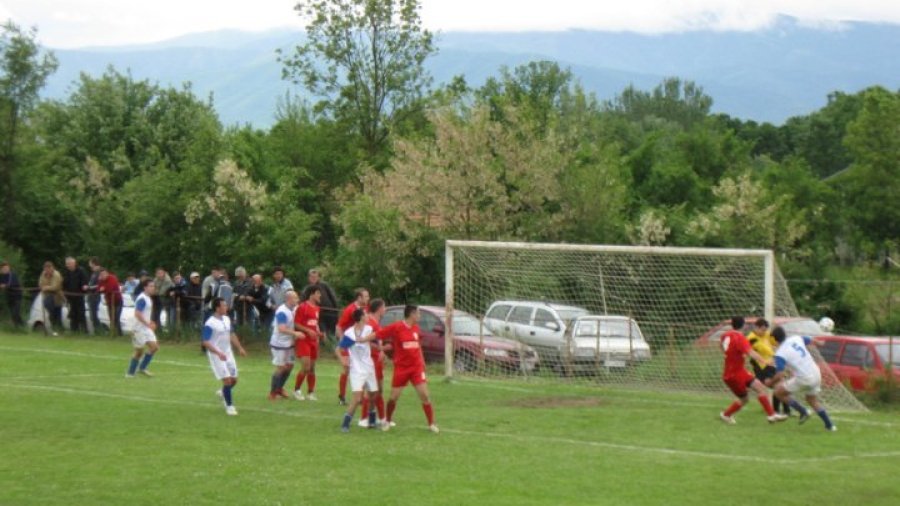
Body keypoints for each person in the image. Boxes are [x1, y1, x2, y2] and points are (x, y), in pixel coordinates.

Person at [375, 305, 439, 433]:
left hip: (416, 368)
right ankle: (387, 421)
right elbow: (379, 333)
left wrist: (422, 361)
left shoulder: (416, 328)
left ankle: (431, 424)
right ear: (412, 314)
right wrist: (362, 339)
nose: (420, 316)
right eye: (418, 313)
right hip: (402, 368)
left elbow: (418, 346)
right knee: (393, 397)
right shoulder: (397, 327)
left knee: (425, 395)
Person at [719, 316, 787, 425]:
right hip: (735, 374)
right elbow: (752, 353)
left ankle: (771, 415)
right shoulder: (740, 338)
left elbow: (721, 345)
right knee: (745, 399)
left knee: (759, 388)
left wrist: (725, 353)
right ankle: (726, 415)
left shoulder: (725, 335)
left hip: (735, 372)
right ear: (743, 325)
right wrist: (765, 362)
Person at [771, 326, 837, 431]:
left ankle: (803, 411)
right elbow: (811, 340)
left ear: (774, 339)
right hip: (816, 372)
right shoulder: (795, 338)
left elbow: (780, 374)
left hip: (805, 377)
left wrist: (770, 382)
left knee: (778, 392)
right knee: (812, 400)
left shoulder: (780, 353)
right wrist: (820, 343)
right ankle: (830, 426)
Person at [202, 297, 247, 416]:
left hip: (228, 353)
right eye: (224, 305)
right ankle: (229, 406)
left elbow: (231, 334)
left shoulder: (227, 319)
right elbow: (205, 342)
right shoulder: (210, 323)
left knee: (234, 379)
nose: (226, 307)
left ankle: (223, 392)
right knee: (227, 380)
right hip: (216, 354)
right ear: (217, 308)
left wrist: (240, 348)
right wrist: (218, 352)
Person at [338, 308, 382, 432]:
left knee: (373, 394)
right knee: (357, 398)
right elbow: (339, 348)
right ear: (361, 317)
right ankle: (345, 423)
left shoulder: (368, 329)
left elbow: (376, 338)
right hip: (356, 370)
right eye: (365, 314)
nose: (368, 315)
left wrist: (379, 347)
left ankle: (372, 420)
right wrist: (343, 360)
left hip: (369, 367)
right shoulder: (349, 333)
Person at [747, 318, 789, 416]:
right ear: (756, 327)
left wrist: (778, 336)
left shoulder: (766, 334)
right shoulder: (751, 338)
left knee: (782, 385)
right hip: (761, 368)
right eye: (762, 329)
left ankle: (784, 411)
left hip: (771, 365)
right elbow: (758, 350)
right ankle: (778, 411)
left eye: (765, 330)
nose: (764, 332)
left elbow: (774, 341)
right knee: (778, 386)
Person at [336, 288, 370, 405]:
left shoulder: (365, 308)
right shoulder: (350, 309)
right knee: (347, 369)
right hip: (349, 342)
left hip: (360, 343)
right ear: (359, 298)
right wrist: (343, 342)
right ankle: (342, 396)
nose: (368, 299)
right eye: (366, 296)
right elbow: (339, 326)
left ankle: (360, 397)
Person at [359, 298, 387, 427]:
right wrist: (379, 349)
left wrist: (382, 351)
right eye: (384, 307)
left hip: (377, 359)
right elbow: (364, 340)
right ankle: (364, 418)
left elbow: (378, 339)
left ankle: (381, 418)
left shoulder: (376, 321)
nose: (385, 309)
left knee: (379, 389)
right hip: (369, 359)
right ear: (379, 308)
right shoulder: (369, 322)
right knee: (371, 390)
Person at [269, 290, 301, 400]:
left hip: (289, 343)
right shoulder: (282, 311)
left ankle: (280, 388)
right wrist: (295, 333)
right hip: (279, 343)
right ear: (289, 299)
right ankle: (273, 392)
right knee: (281, 368)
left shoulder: (294, 309)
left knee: (290, 366)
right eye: (295, 298)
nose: (297, 300)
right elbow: (281, 328)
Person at [293, 286, 323, 400]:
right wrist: (308, 330)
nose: (320, 296)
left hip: (314, 341)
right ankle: (297, 390)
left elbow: (315, 323)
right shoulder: (302, 307)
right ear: (312, 294)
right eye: (318, 293)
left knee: (312, 368)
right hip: (304, 340)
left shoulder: (317, 308)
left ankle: (310, 392)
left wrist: (318, 333)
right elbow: (296, 324)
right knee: (306, 366)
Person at [126, 279, 159, 377]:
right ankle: (130, 373)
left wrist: (150, 322)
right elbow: (137, 313)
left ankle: (142, 368)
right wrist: (147, 323)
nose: (153, 288)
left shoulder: (148, 298)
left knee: (154, 347)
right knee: (139, 352)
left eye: (153, 286)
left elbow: (145, 313)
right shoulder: (142, 298)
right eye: (151, 286)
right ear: (145, 287)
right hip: (138, 329)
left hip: (146, 328)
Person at [301, 268, 339, 337]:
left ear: (318, 277)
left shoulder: (324, 285)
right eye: (312, 277)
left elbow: (332, 296)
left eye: (315, 277)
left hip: (331, 313)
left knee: (333, 333)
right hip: (319, 316)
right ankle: (325, 345)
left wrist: (336, 310)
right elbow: (303, 302)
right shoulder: (306, 289)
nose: (314, 278)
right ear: (309, 278)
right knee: (323, 333)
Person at [62, 257, 89, 333]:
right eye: (66, 264)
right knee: (72, 315)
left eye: (68, 264)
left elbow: (85, 282)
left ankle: (84, 331)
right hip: (70, 297)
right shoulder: (67, 272)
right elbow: (64, 283)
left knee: (81, 314)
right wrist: (65, 293)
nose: (67, 266)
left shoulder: (81, 271)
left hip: (79, 296)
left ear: (73, 263)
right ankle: (74, 331)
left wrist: (84, 288)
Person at [96, 268, 124, 336]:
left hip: (118, 301)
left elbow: (110, 289)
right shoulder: (101, 280)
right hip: (109, 302)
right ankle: (114, 333)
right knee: (111, 317)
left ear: (107, 273)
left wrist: (103, 289)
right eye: (101, 275)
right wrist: (101, 289)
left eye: (104, 274)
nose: (103, 276)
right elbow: (98, 290)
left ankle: (119, 333)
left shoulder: (112, 278)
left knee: (116, 317)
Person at [38, 261, 64, 332]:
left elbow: (55, 287)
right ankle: (55, 330)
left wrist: (46, 288)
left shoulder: (56, 275)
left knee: (57, 315)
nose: (47, 271)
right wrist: (47, 287)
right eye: (46, 269)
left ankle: (60, 330)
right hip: (47, 298)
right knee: (51, 315)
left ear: (52, 268)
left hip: (57, 298)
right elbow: (40, 284)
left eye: (49, 269)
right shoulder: (43, 274)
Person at [0, 260, 24, 327]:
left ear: (9, 268)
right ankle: (22, 325)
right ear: (1, 269)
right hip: (9, 296)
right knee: (15, 313)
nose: (6, 269)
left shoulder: (12, 275)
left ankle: (16, 327)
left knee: (15, 312)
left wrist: (4, 286)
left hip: (17, 296)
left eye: (7, 268)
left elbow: (10, 284)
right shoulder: (1, 276)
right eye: (4, 268)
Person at [84, 257, 102, 332]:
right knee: (92, 315)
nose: (89, 265)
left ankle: (99, 330)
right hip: (90, 295)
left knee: (94, 315)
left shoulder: (100, 272)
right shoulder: (94, 272)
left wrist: (89, 287)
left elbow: (99, 285)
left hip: (95, 295)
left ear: (93, 263)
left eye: (90, 263)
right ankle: (97, 330)